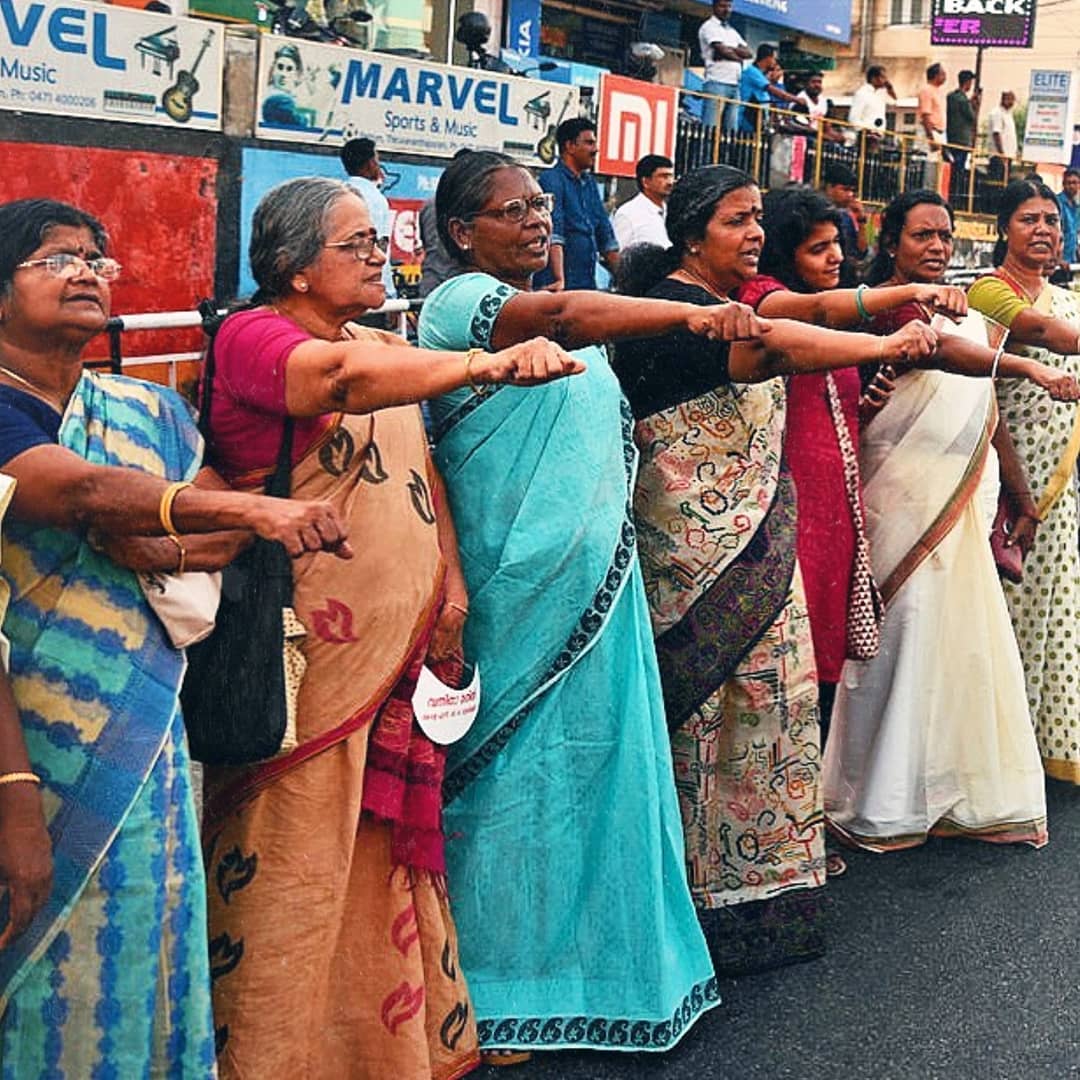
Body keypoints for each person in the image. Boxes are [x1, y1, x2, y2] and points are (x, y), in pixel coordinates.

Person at [198, 176, 582, 1079]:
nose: (379, 254)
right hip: (304, 658)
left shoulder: (380, 340)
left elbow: (421, 471)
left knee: (383, 851)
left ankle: (384, 1047)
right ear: (292, 267)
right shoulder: (255, 338)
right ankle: (272, 1055)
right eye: (355, 243)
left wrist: (448, 580)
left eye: (379, 240)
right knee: (294, 853)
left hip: (399, 646)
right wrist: (484, 363)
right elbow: (339, 384)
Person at [417, 150, 767, 1062]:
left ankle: (602, 975)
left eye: (540, 205)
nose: (537, 219)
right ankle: (495, 990)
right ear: (462, 233)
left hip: (597, 593)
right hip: (516, 596)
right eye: (512, 209)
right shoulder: (460, 305)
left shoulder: (562, 313)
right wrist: (696, 312)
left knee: (596, 778)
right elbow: (567, 314)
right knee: (512, 792)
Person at [0, 198, 355, 1074]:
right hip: (27, 735)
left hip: (147, 730)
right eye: (55, 259)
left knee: (145, 936)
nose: (86, 271)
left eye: (97, 257)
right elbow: (78, 492)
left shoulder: (145, 410)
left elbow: (209, 527)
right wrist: (246, 506)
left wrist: (158, 536)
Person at [612, 166, 951, 974]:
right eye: (737, 220)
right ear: (692, 235)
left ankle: (759, 891)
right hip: (693, 563)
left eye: (758, 217)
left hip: (758, 551)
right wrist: (884, 340)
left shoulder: (741, 298)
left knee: (770, 711)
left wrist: (888, 304)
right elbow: (775, 349)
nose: (755, 233)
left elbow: (815, 309)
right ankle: (692, 910)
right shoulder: (677, 312)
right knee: (707, 724)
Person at [824, 188, 1078, 852]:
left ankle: (948, 789)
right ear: (892, 241)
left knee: (955, 641)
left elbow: (986, 415)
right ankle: (878, 798)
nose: (935, 248)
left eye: (942, 236)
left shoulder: (964, 310)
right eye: (921, 237)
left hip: (962, 499)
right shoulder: (865, 310)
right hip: (893, 495)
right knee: (896, 641)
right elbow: (851, 411)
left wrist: (1018, 497)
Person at [736, 186, 967, 729]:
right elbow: (813, 314)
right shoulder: (765, 302)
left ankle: (811, 792)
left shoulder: (836, 317)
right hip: (793, 510)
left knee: (823, 665)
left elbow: (836, 415)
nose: (836, 257)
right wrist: (897, 319)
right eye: (819, 249)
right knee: (789, 659)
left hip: (835, 510)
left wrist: (864, 405)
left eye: (838, 244)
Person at [968, 178, 1080, 785]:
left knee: (1055, 610)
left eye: (1051, 221)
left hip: (1062, 489)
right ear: (1003, 230)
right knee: (1004, 611)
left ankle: (1038, 742)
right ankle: (993, 750)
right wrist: (1019, 490)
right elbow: (1035, 347)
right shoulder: (990, 292)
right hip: (1004, 480)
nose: (1043, 230)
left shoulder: (1070, 297)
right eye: (1029, 219)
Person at [534, 117, 619, 291]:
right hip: (556, 287)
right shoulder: (551, 180)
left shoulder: (590, 184)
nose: (595, 149)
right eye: (589, 143)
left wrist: (628, 280)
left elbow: (606, 237)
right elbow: (553, 233)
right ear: (570, 146)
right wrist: (559, 280)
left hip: (586, 285)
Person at [340, 136, 396, 299]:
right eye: (377, 160)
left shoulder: (339, 194)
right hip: (369, 290)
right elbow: (380, 248)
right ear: (370, 163)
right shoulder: (376, 199)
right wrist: (389, 293)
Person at [419, 149, 472, 298]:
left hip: (432, 284)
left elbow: (426, 243)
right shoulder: (474, 207)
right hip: (460, 288)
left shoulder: (429, 204)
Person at [697, 0, 750, 132]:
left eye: (729, 6)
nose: (726, 9)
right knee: (710, 128)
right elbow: (721, 50)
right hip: (716, 82)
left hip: (734, 84)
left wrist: (729, 51)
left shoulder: (732, 31)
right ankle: (705, 154)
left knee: (731, 130)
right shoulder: (709, 27)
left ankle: (724, 154)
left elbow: (748, 53)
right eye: (722, 6)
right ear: (714, 7)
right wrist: (737, 57)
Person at [611, 154, 675, 250]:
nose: (670, 182)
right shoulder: (628, 214)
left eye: (671, 176)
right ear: (646, 182)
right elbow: (617, 256)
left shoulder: (672, 212)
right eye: (663, 176)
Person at [823, 163, 870, 286]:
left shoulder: (846, 217)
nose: (850, 195)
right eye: (845, 189)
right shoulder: (816, 214)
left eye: (852, 191)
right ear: (830, 188)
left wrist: (861, 221)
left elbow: (861, 251)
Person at [738, 44, 799, 134]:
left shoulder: (761, 74)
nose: (775, 62)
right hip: (747, 117)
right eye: (774, 58)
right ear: (768, 58)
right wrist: (797, 99)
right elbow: (775, 92)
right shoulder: (752, 71)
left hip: (759, 119)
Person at [946, 69, 979, 197]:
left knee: (951, 168)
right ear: (967, 82)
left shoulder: (951, 97)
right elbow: (971, 116)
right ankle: (956, 195)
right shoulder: (963, 100)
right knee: (959, 170)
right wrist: (975, 105)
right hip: (962, 140)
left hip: (950, 137)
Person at [849, 65, 896, 147]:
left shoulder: (882, 93)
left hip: (878, 135)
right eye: (883, 77)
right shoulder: (862, 93)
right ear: (874, 78)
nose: (885, 80)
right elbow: (853, 118)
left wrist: (890, 88)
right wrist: (867, 131)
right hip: (866, 136)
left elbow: (894, 102)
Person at [798, 71, 844, 142]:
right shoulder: (801, 101)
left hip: (820, 137)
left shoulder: (824, 101)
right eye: (813, 82)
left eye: (819, 82)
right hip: (805, 137)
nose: (817, 85)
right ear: (805, 84)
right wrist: (824, 136)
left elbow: (827, 128)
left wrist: (838, 136)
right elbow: (804, 128)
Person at [988, 90, 1018, 184]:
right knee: (998, 183)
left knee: (1005, 183)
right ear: (1005, 99)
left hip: (1008, 156)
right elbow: (996, 134)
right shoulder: (997, 113)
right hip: (999, 157)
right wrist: (1002, 154)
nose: (1012, 103)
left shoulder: (1008, 114)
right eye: (1011, 100)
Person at [917, 63, 948, 145]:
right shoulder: (927, 90)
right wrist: (931, 138)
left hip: (940, 133)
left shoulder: (939, 91)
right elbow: (925, 115)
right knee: (931, 157)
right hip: (931, 132)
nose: (945, 77)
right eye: (943, 74)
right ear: (936, 75)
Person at [1057, 168, 1080, 274]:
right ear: (1063, 184)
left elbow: (1076, 233)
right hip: (1057, 263)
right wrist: (1058, 259)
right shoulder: (1057, 203)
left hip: (1072, 261)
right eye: (1068, 183)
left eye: (1075, 183)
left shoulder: (1077, 206)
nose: (1072, 186)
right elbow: (1054, 233)